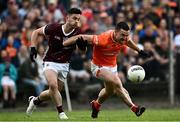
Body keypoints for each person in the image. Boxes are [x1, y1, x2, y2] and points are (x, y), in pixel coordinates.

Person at [63, 22, 150, 118]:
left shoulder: (124, 38)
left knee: (110, 91)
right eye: (123, 35)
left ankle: (96, 105)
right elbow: (79, 37)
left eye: (126, 35)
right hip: (99, 67)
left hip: (112, 67)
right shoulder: (103, 39)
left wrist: (139, 51)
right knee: (117, 84)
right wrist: (63, 44)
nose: (125, 38)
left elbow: (128, 42)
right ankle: (135, 108)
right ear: (116, 32)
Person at [26, 8, 83, 120]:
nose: (76, 21)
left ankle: (35, 100)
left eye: (78, 19)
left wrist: (82, 47)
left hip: (64, 64)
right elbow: (35, 32)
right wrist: (33, 47)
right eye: (74, 18)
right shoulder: (54, 27)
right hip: (50, 61)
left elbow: (82, 51)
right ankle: (61, 113)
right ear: (67, 18)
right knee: (53, 85)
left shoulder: (78, 32)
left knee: (53, 91)